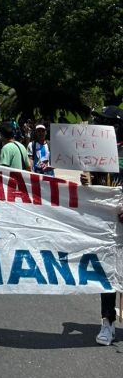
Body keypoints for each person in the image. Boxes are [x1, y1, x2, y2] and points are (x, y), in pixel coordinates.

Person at [82, 105, 123, 345]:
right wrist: (87, 182)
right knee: (107, 274)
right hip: (106, 226)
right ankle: (107, 322)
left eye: (108, 122)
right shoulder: (97, 153)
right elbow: (95, 188)